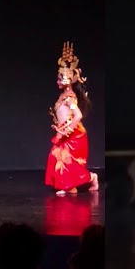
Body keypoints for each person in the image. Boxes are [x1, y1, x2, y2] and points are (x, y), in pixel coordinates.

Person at [46, 42, 99, 196]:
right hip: (66, 130)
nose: (57, 81)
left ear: (67, 80)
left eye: (59, 78)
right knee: (56, 156)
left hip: (75, 132)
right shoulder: (62, 96)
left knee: (67, 160)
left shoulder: (70, 97)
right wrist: (59, 129)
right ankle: (69, 186)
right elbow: (63, 116)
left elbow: (78, 116)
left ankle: (91, 178)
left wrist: (66, 131)